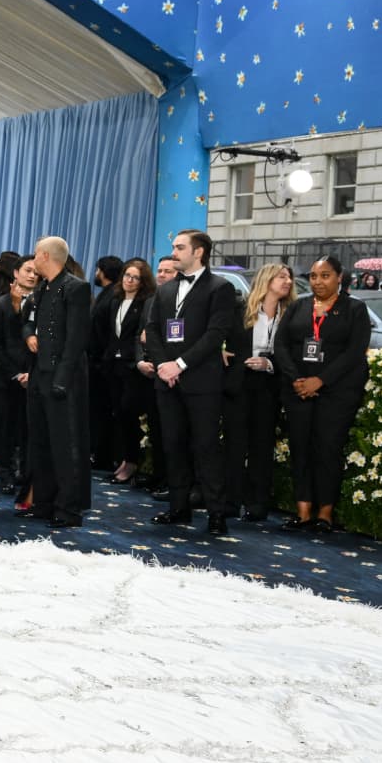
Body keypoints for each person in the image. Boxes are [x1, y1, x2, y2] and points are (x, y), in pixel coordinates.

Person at [141, 229, 238, 537]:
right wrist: (162, 366)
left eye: (180, 247)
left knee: (206, 447)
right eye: (173, 247)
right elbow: (153, 330)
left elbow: (216, 334)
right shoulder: (166, 290)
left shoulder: (220, 288)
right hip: (168, 382)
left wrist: (179, 364)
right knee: (173, 445)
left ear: (199, 252)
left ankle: (216, 513)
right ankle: (178, 507)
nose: (174, 252)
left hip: (201, 382)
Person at [274, 256, 373, 534]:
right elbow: (280, 344)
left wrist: (321, 380)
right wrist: (297, 379)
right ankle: (303, 511)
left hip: (337, 392)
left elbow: (355, 351)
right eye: (315, 276)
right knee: (300, 447)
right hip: (298, 390)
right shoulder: (298, 306)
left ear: (339, 277)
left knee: (328, 448)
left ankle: (325, 513)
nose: (319, 282)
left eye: (326, 276)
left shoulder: (355, 309)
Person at [23, 236, 91, 528]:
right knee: (40, 441)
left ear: (47, 256)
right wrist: (29, 335)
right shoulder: (42, 288)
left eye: (37, 254)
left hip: (65, 377)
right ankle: (44, 502)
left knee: (66, 444)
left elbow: (76, 340)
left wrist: (62, 380)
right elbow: (27, 320)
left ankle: (69, 508)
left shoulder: (76, 288)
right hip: (39, 374)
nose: (33, 259)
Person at [224, 265, 293, 522]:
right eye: (281, 277)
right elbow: (220, 335)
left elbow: (293, 351)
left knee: (262, 446)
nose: (287, 281)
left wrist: (270, 364)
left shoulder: (290, 314)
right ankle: (230, 501)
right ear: (266, 280)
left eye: (289, 278)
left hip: (269, 384)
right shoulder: (239, 310)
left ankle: (257, 503)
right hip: (239, 382)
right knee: (234, 444)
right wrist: (220, 349)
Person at [0, 253, 38, 508]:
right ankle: (4, 474)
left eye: (35, 271)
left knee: (30, 429)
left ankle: (27, 475)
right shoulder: (1, 303)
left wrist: (33, 373)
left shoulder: (44, 301)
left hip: (35, 375)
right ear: (15, 274)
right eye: (27, 270)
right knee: (5, 427)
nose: (31, 275)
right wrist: (14, 373)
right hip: (7, 376)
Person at [103, 260, 156, 486]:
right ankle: (123, 461)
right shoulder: (115, 301)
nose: (129, 280)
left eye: (135, 277)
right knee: (118, 413)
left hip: (132, 367)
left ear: (143, 282)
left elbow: (139, 335)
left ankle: (132, 461)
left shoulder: (146, 303)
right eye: (127, 275)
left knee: (128, 411)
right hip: (113, 364)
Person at [86, 255, 125, 471]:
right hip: (98, 362)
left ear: (103, 271)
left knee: (103, 412)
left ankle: (103, 455)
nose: (95, 275)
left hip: (103, 363)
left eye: (97, 270)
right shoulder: (107, 295)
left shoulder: (111, 297)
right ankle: (99, 453)